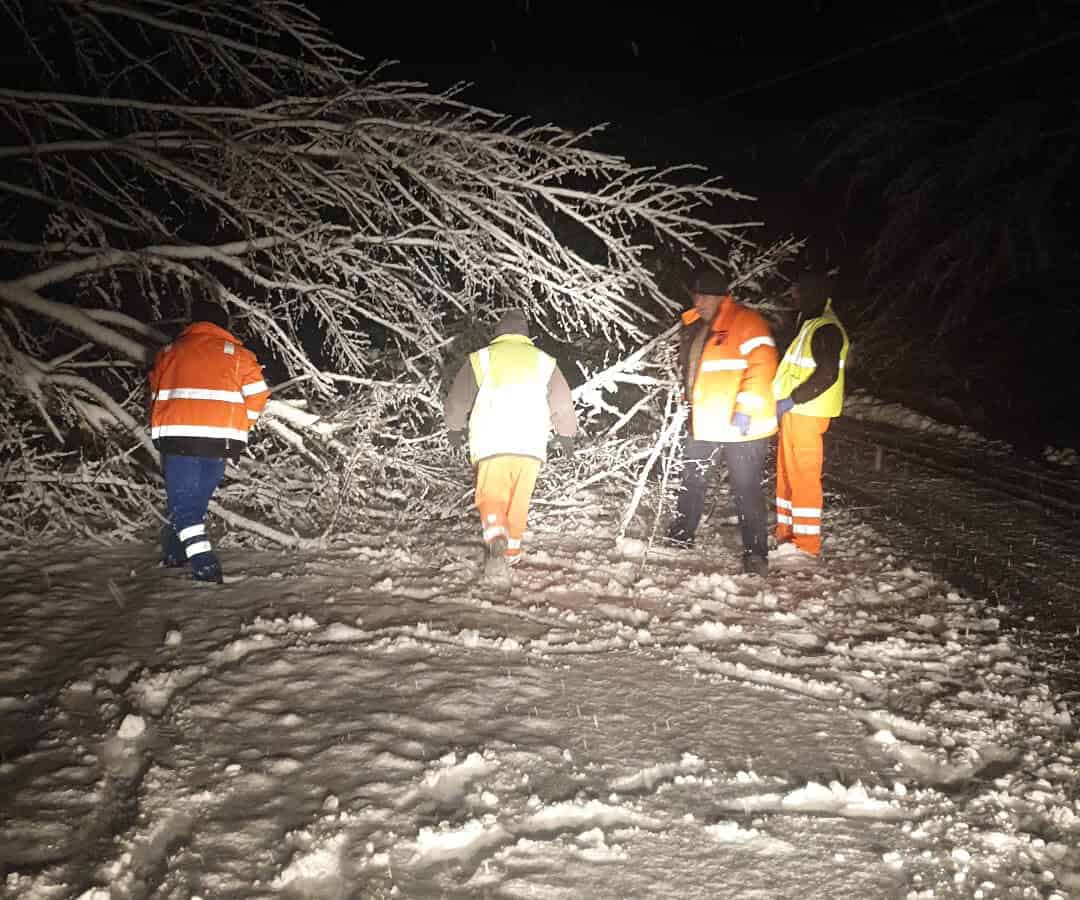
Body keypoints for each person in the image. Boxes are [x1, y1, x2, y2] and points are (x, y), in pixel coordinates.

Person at [444, 310, 578, 579]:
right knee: (519, 501)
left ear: (498, 332)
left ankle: (496, 540)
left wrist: (454, 429)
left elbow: (458, 399)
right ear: (526, 335)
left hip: (492, 440)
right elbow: (562, 402)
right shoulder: (543, 361)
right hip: (530, 444)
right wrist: (566, 436)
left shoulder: (482, 359)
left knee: (491, 496)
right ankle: (511, 555)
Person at [149, 296, 271, 583]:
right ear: (223, 325)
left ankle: (204, 566)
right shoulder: (237, 355)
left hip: (179, 439)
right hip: (219, 444)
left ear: (194, 323)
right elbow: (258, 394)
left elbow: (155, 389)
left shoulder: (171, 351)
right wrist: (241, 424)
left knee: (184, 507)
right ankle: (175, 553)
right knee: (194, 503)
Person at [669, 268, 778, 576]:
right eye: (695, 296)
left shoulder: (747, 322)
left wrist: (745, 407)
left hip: (743, 427)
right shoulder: (700, 328)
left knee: (745, 489)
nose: (697, 302)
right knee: (692, 479)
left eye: (703, 297)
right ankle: (680, 536)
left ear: (719, 297)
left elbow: (763, 367)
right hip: (707, 422)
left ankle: (756, 554)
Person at [771, 272, 850, 561]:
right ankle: (787, 534)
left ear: (812, 293)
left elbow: (826, 374)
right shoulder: (811, 324)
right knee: (788, 477)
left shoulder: (826, 328)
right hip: (795, 414)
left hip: (806, 413)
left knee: (803, 477)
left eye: (797, 292)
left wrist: (794, 398)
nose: (793, 297)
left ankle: (805, 544)